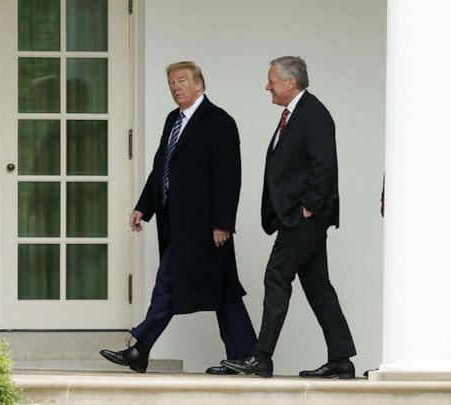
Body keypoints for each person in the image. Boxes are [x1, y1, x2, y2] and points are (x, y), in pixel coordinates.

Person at [100, 61, 257, 374]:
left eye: (182, 80)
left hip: (206, 226)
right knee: (223, 289)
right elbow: (162, 168)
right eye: (171, 82)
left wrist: (223, 223)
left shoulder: (219, 121)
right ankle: (247, 356)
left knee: (169, 282)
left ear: (199, 84)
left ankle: (140, 347)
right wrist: (143, 206)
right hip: (177, 223)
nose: (175, 87)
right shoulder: (173, 119)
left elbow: (229, 177)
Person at [222, 56, 356, 378]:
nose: (267, 86)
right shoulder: (295, 114)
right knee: (318, 287)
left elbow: (325, 165)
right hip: (297, 218)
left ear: (291, 82)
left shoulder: (314, 114)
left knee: (276, 276)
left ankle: (261, 357)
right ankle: (341, 360)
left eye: (271, 80)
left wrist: (307, 208)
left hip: (305, 219)